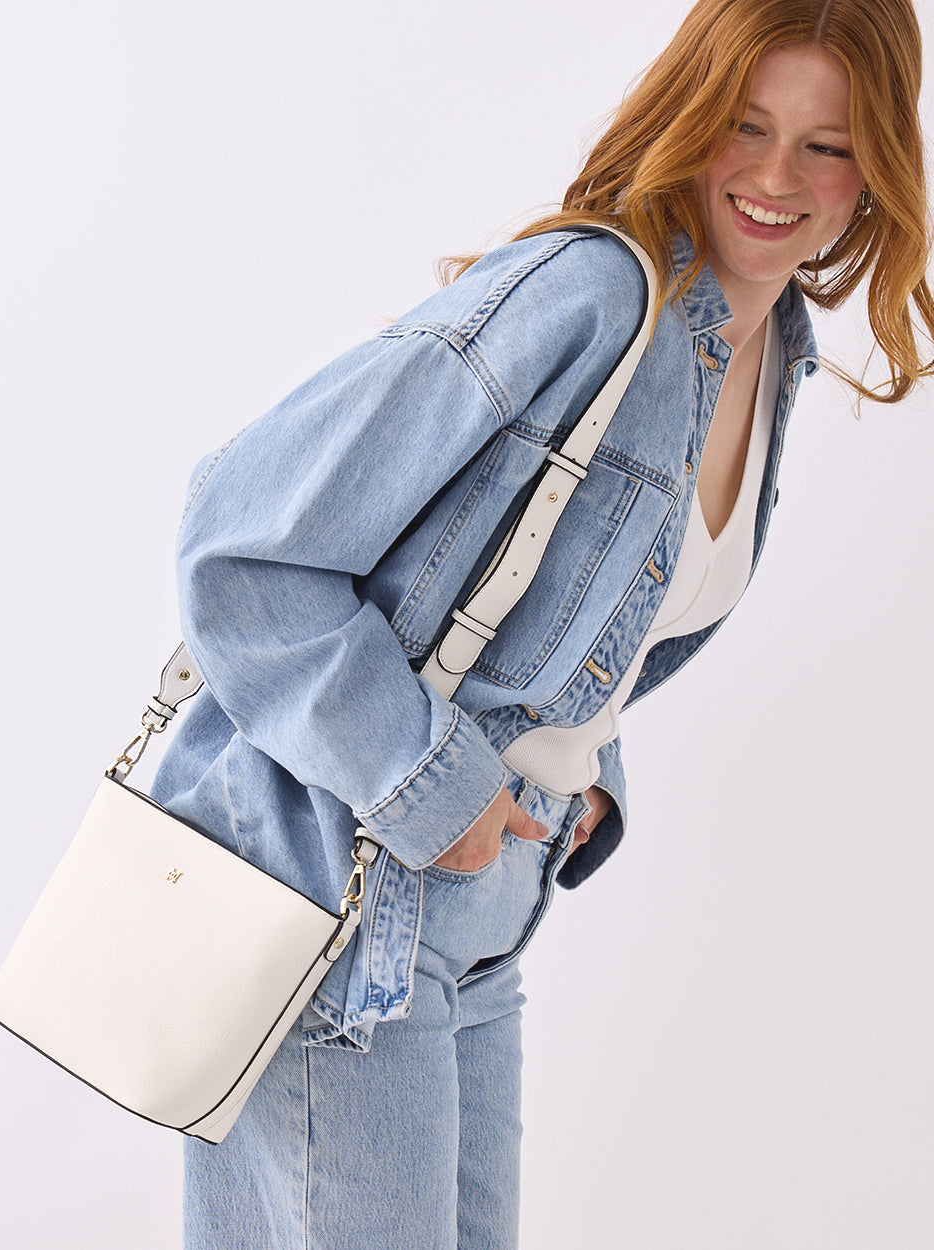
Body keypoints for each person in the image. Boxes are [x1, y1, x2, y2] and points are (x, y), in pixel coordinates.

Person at [151, 0, 933, 1245]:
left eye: (826, 145)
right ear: (691, 112)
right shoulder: (589, 295)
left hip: (484, 920)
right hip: (354, 894)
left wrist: (581, 766)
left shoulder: (767, 345)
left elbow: (591, 611)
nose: (778, 177)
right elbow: (242, 545)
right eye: (746, 125)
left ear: (877, 163)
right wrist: (434, 781)